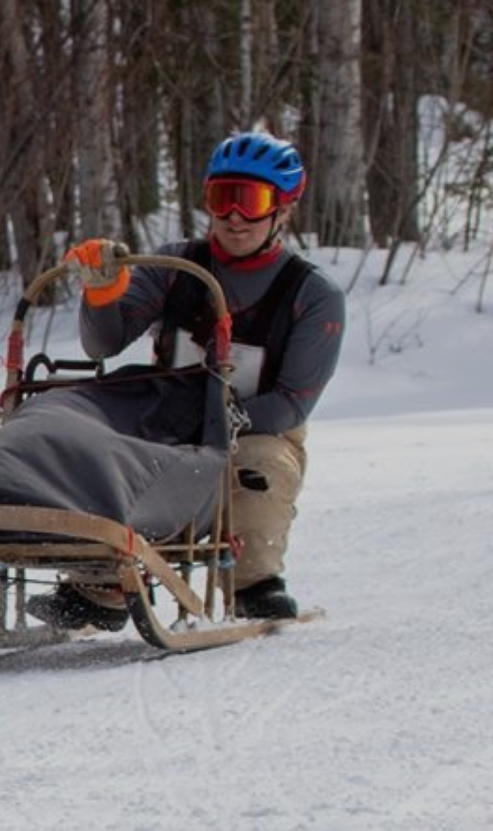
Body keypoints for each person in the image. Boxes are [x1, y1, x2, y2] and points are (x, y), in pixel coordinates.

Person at [27, 130, 346, 629]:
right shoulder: (175, 266)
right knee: (106, 454)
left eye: (250, 202)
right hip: (161, 417)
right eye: (222, 199)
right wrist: (102, 296)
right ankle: (100, 583)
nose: (234, 217)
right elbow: (103, 345)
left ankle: (253, 581)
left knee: (258, 466)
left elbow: (291, 403)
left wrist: (215, 422)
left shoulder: (313, 294)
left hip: (256, 426)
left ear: (282, 210)